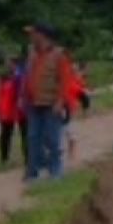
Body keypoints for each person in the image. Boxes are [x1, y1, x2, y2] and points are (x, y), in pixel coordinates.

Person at [22, 23, 74, 180]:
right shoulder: (32, 54)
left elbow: (65, 80)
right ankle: (33, 171)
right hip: (34, 103)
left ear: (42, 35)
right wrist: (23, 97)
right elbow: (27, 78)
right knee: (32, 138)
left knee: (52, 138)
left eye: (33, 33)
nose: (31, 37)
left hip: (51, 104)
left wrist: (60, 102)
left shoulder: (59, 55)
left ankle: (55, 169)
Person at [0, 56, 25, 165]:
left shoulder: (20, 76)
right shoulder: (5, 78)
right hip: (7, 111)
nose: (7, 66)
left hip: (18, 110)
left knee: (23, 134)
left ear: (14, 64)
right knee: (6, 134)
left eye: (9, 63)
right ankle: (4, 157)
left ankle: (27, 156)